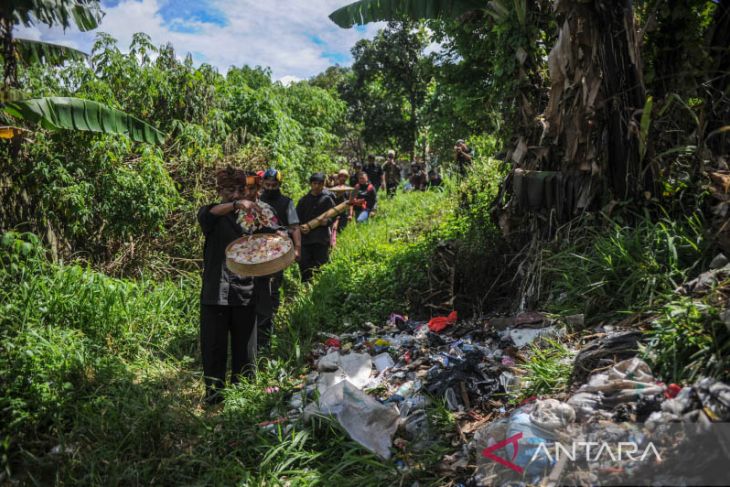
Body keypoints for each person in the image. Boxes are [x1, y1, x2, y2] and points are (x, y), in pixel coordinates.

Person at [197, 168, 275, 405]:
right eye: (229, 190)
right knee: (214, 348)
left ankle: (242, 395)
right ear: (220, 191)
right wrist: (237, 205)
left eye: (240, 190)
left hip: (245, 291)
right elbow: (210, 213)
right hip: (216, 292)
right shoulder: (211, 213)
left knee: (245, 350)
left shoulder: (253, 217)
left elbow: (270, 239)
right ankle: (214, 395)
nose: (236, 194)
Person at [257, 168, 301, 351]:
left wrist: (297, 248)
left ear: (279, 185)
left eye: (273, 185)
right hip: (258, 251)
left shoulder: (286, 202)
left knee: (274, 285)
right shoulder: (257, 202)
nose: (270, 187)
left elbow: (295, 226)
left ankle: (271, 319)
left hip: (278, 251)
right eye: (267, 185)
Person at [296, 173, 336, 282]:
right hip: (306, 240)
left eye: (320, 184)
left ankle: (320, 289)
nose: (317, 186)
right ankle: (306, 289)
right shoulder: (303, 201)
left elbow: (335, 215)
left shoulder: (328, 200)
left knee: (320, 266)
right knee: (305, 267)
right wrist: (300, 227)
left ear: (323, 184)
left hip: (321, 239)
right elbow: (296, 219)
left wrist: (327, 222)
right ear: (311, 184)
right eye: (314, 183)